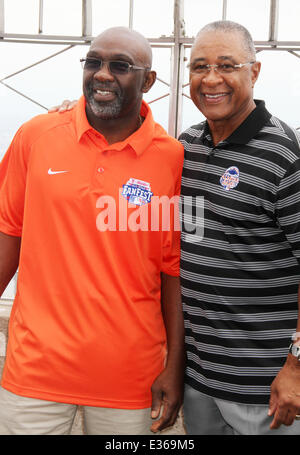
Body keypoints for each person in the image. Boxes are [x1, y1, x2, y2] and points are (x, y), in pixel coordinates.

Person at [0, 26, 185, 435]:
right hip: (35, 370)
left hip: (131, 378)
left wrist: (175, 367)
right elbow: (7, 235)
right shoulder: (36, 135)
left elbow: (173, 271)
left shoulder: (172, 159)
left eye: (120, 66)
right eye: (93, 61)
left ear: (148, 81)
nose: (102, 74)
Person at [179, 20, 300, 435]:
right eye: (199, 67)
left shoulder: (285, 157)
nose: (211, 79)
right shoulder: (186, 148)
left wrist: (296, 369)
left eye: (226, 65)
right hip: (200, 381)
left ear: (255, 71)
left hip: (266, 390)